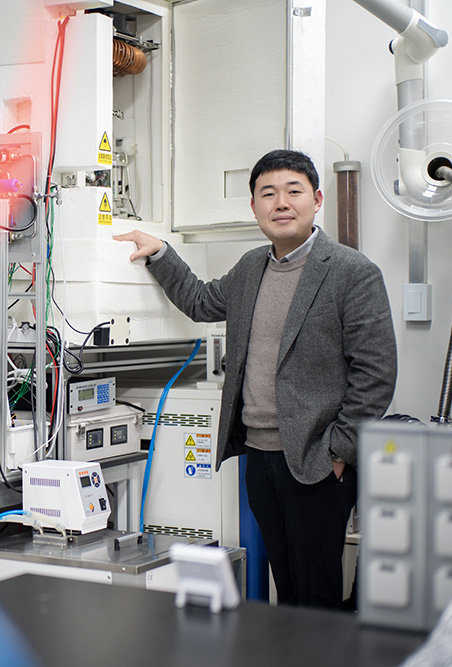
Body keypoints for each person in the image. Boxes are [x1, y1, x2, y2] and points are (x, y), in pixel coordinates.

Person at [114, 149, 397, 608]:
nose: (280, 203)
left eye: (293, 191)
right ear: (254, 206)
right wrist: (160, 252)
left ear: (316, 200)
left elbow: (376, 373)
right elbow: (201, 301)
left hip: (316, 461)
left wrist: (338, 451)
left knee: (316, 595)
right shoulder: (251, 267)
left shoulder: (351, 272)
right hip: (259, 459)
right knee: (285, 586)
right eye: (268, 194)